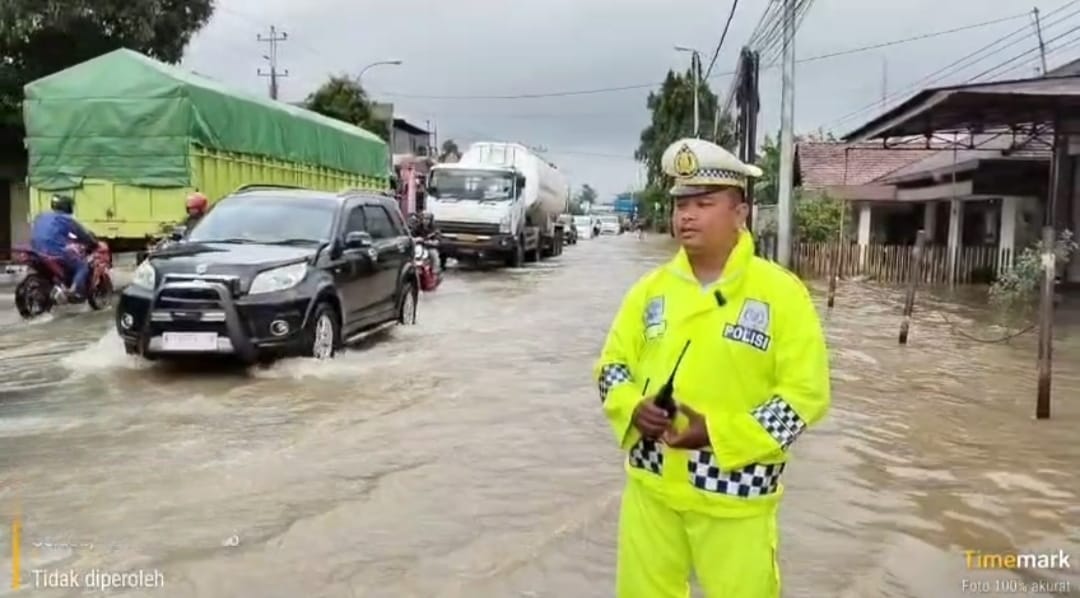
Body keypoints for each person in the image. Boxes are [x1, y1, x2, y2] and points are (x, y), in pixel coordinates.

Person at [593, 138, 830, 598]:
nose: (687, 215)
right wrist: (631, 407)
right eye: (681, 203)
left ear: (739, 214)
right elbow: (611, 366)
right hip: (651, 488)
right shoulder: (650, 291)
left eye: (704, 203)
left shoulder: (781, 294)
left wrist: (717, 433)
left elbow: (805, 396)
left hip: (737, 497)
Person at [29, 193, 98, 300]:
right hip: (54, 251)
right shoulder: (66, 219)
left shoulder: (42, 215)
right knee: (82, 266)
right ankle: (73, 290)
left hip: (36, 250)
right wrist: (93, 243)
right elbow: (82, 234)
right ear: (67, 206)